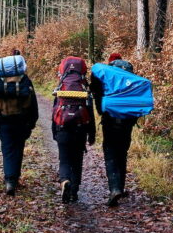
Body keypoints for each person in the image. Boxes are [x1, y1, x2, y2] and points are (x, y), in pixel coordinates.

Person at [90, 53, 138, 206]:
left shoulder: (108, 77)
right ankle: (120, 187)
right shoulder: (128, 76)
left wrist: (101, 112)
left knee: (110, 152)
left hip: (110, 120)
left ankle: (115, 188)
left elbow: (97, 93)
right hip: (128, 121)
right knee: (122, 153)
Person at [0, 49, 38, 196]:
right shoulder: (24, 80)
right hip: (22, 120)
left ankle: (10, 180)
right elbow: (33, 104)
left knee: (7, 150)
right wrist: (31, 123)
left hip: (4, 120)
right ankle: (14, 178)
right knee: (18, 149)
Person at [52, 56, 96, 203]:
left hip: (62, 127)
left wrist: (55, 132)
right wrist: (92, 134)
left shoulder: (60, 88)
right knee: (77, 160)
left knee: (64, 159)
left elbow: (54, 112)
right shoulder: (84, 89)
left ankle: (65, 181)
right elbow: (90, 113)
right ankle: (74, 192)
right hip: (80, 129)